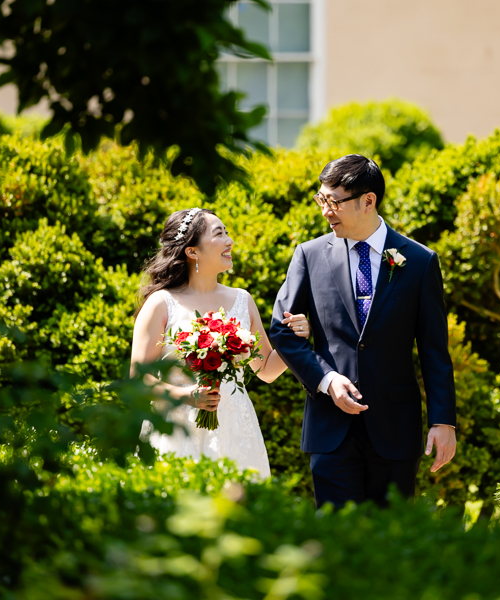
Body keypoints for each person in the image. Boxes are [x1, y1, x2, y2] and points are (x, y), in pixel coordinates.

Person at [269, 154, 457, 508]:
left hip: (395, 429)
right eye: (322, 200)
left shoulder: (419, 261)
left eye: (334, 201)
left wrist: (443, 421)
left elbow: (434, 350)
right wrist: (326, 380)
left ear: (368, 201)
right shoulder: (309, 255)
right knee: (337, 540)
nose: (326, 211)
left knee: (390, 540)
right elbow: (280, 331)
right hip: (330, 429)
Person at [131, 207, 311, 479]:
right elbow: (138, 381)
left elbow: (267, 371)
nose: (230, 241)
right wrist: (189, 396)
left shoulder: (242, 300)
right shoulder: (161, 303)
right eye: (219, 234)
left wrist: (295, 338)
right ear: (192, 252)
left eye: (227, 232)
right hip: (176, 431)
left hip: (236, 429)